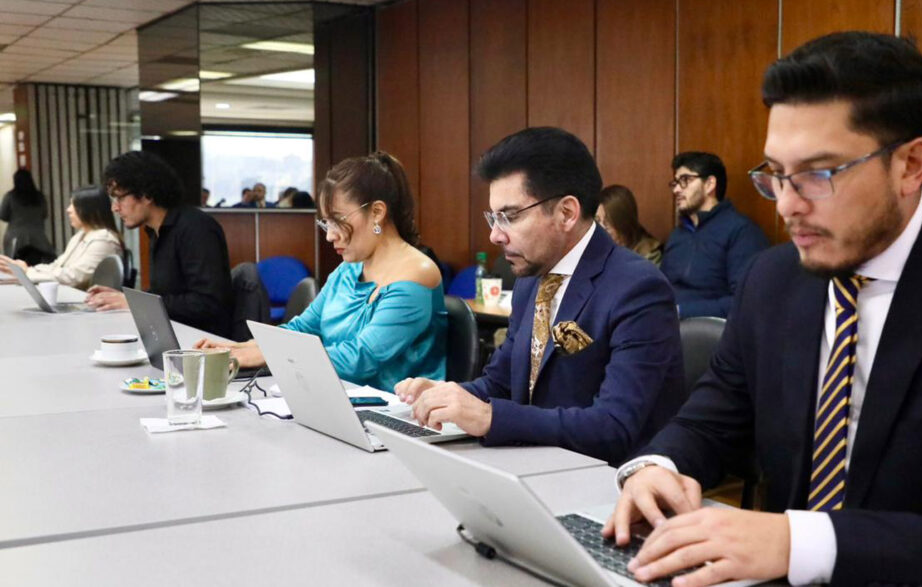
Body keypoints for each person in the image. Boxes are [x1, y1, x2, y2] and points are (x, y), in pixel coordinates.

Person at [603, 31, 922, 587]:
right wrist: (659, 468)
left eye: (819, 175)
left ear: (910, 164)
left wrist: (801, 542)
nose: (787, 206)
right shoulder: (773, 279)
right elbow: (714, 415)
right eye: (776, 174)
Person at [395, 127, 685, 466]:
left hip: (608, 482)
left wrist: (491, 418)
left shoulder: (638, 288)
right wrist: (450, 397)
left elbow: (613, 426)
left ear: (566, 213)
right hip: (533, 463)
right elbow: (501, 384)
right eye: (493, 217)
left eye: (510, 216)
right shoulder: (532, 280)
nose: (494, 235)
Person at [196, 152, 446, 392]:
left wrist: (267, 355)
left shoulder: (417, 273)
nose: (330, 235)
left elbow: (360, 359)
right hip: (339, 397)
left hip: (395, 415)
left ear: (377, 212)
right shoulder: (349, 269)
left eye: (338, 220)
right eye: (326, 222)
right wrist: (238, 348)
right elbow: (303, 328)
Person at [85, 151, 233, 338]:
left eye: (120, 198)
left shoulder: (196, 228)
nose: (115, 207)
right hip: (171, 333)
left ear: (146, 195)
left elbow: (207, 303)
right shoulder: (156, 231)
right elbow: (167, 293)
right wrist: (122, 298)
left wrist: (133, 303)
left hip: (201, 342)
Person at [661, 151, 768, 318]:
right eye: (675, 182)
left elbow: (744, 301)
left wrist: (681, 311)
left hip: (710, 334)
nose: (676, 189)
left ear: (709, 184)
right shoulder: (677, 235)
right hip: (667, 328)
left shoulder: (741, 231)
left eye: (685, 181)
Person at [0, 185, 123, 289]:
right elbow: (58, 266)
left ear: (89, 210)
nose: (68, 210)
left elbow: (74, 276)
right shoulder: (81, 235)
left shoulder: (104, 240)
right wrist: (27, 269)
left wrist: (27, 272)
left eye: (73, 205)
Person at [595, 184, 663, 265]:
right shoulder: (597, 250)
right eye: (597, 220)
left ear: (623, 222)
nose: (602, 228)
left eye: (607, 222)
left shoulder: (650, 255)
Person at [0, 169, 55, 264]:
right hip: (37, 239)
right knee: (34, 268)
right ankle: (30, 279)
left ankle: (20, 279)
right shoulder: (39, 197)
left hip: (15, 238)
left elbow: (3, 215)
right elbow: (44, 214)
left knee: (14, 268)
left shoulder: (10, 196)